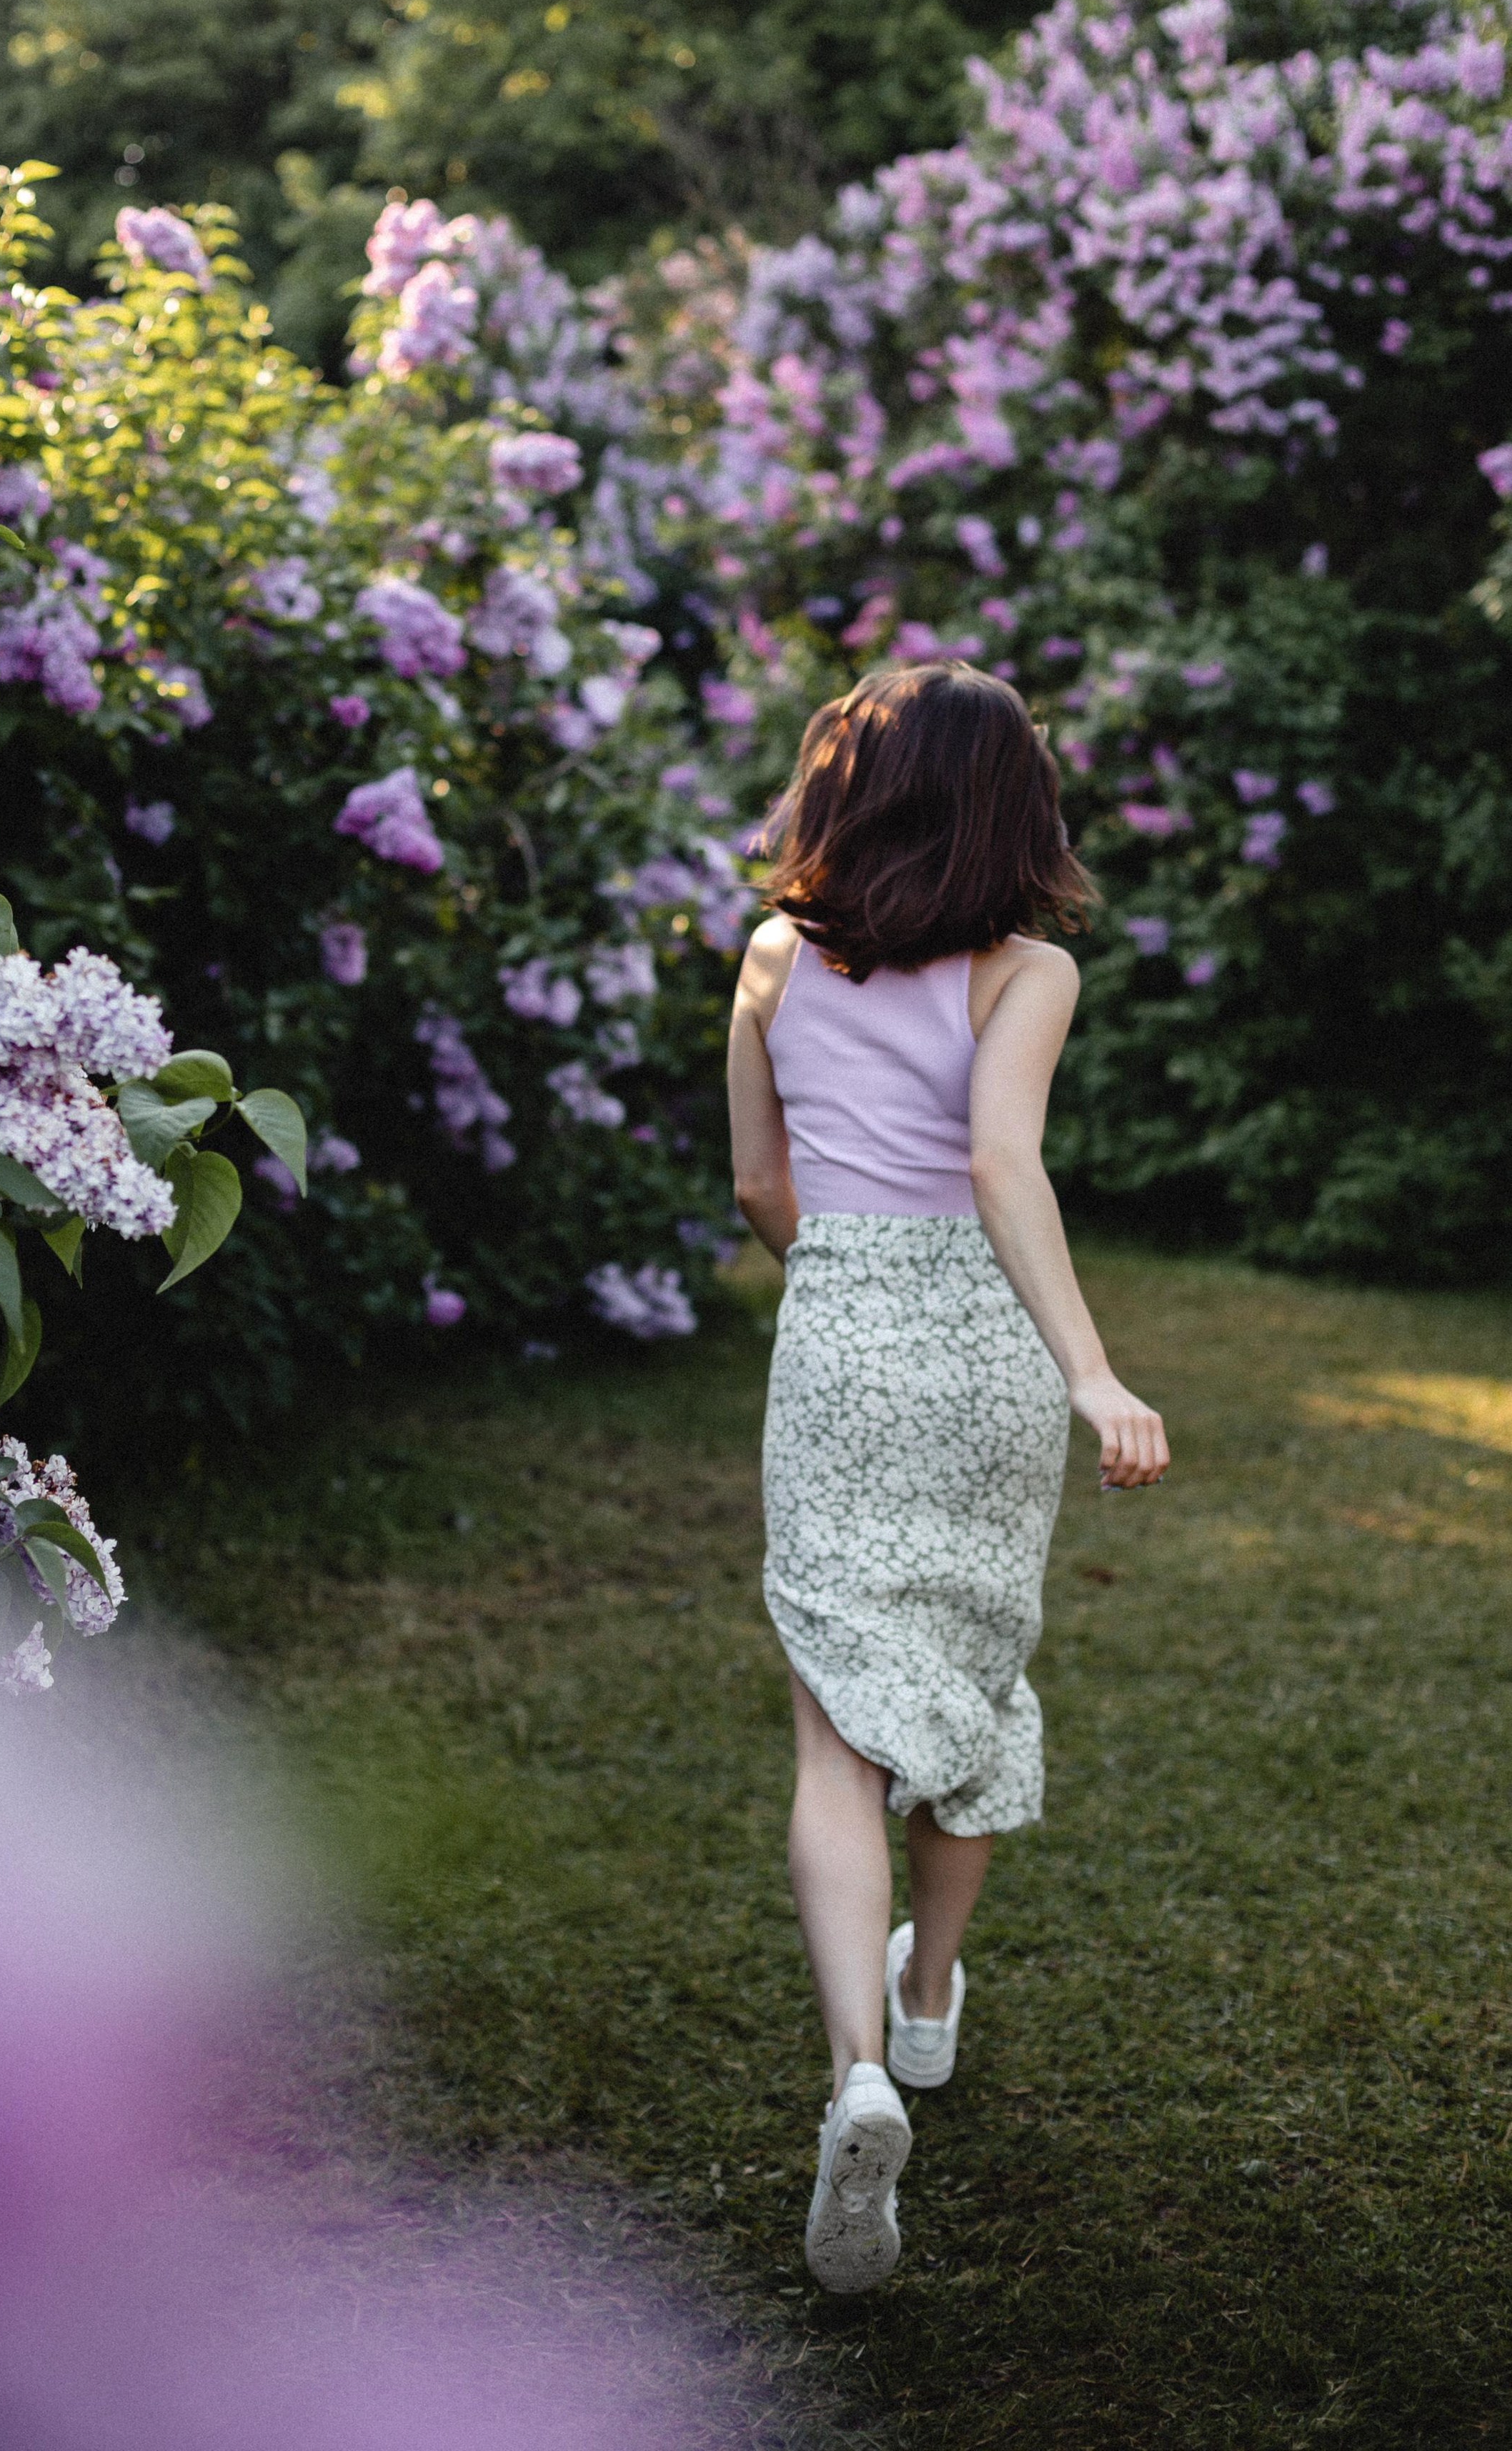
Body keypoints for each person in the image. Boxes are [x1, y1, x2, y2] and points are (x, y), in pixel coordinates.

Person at [727, 662, 1169, 2294]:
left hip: (839, 1329)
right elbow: (1000, 1160)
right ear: (1010, 809)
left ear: (846, 793)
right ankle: (927, 2012)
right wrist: (1090, 1371)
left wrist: (839, 1272)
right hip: (987, 1352)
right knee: (971, 1677)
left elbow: (756, 1181)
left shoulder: (773, 955)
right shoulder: (1026, 973)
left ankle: (857, 2068)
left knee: (834, 1731)